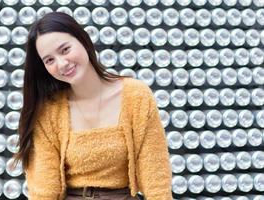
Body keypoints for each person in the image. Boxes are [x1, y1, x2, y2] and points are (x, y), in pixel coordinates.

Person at [12, 12, 172, 200]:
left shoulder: (136, 96)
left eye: (65, 50)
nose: (62, 64)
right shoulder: (49, 110)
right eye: (49, 60)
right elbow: (44, 189)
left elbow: (155, 175)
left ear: (83, 40)